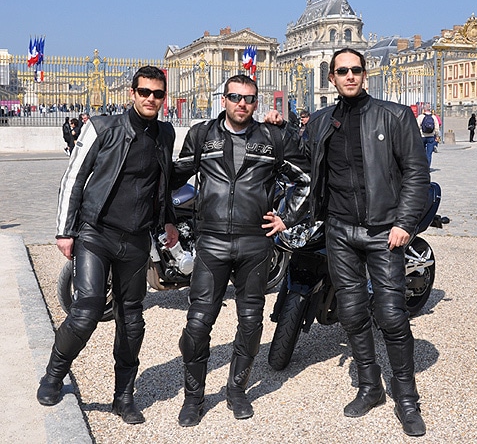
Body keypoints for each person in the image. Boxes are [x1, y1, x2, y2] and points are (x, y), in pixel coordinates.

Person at [297, 48, 429, 436]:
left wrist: (405, 223)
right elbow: (303, 164)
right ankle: (370, 387)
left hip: (383, 232)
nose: (350, 76)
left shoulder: (395, 115)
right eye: (342, 71)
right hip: (339, 230)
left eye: (356, 70)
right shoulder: (321, 121)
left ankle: (407, 400)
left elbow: (416, 173)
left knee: (391, 315)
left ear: (365, 74)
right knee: (352, 314)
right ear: (332, 78)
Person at [37, 66, 178, 425]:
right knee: (86, 310)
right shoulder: (102, 127)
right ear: (132, 93)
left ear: (164, 97)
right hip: (95, 233)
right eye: (144, 91)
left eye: (158, 93)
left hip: (136, 239)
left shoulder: (165, 132)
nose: (151, 98)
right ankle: (54, 375)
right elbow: (74, 178)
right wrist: (63, 231)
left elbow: (162, 180)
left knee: (132, 320)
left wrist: (169, 220)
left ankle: (124, 396)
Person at [173, 74, 310, 427]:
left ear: (257, 101)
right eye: (235, 97)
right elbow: (176, 175)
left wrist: (285, 217)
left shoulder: (272, 138)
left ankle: (236, 390)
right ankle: (193, 397)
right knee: (198, 322)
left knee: (250, 323)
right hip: (212, 241)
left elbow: (306, 178)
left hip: (255, 242)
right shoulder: (202, 135)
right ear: (224, 99)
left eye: (249, 98)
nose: (242, 104)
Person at [417, 103, 440, 168]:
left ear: (424, 109)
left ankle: (422, 167)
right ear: (430, 109)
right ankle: (427, 167)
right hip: (431, 136)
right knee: (429, 154)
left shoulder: (420, 117)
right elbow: (437, 128)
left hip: (422, 136)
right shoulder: (433, 117)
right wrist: (437, 136)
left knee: (421, 153)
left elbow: (417, 126)